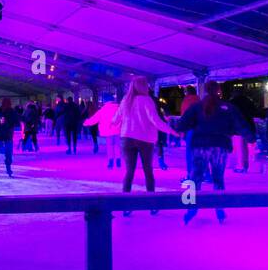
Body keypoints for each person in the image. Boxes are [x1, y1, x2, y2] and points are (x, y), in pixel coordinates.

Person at [172, 81, 246, 225]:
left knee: (195, 178)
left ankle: (191, 208)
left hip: (200, 146)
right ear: (218, 90)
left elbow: (181, 124)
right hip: (220, 147)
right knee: (218, 178)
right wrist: (246, 136)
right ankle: (219, 209)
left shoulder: (196, 107)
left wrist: (194, 126)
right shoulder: (228, 107)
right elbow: (240, 125)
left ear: (205, 90)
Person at [110, 78, 177, 215]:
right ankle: (152, 204)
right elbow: (155, 120)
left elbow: (116, 119)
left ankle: (126, 206)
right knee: (148, 171)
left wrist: (110, 124)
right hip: (145, 139)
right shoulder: (146, 100)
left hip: (127, 138)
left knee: (129, 172)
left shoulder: (125, 101)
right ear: (144, 87)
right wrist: (170, 131)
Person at [84, 94, 122, 169]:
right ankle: (118, 160)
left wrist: (86, 122)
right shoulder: (118, 108)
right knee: (117, 145)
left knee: (110, 146)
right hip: (118, 130)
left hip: (107, 131)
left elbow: (95, 119)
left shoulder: (102, 110)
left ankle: (110, 161)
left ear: (105, 101)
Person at [0, 98, 20, 177]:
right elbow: (16, 123)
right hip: (7, 135)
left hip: (0, 135)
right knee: (8, 152)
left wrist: (1, 121)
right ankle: (8, 168)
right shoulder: (12, 112)